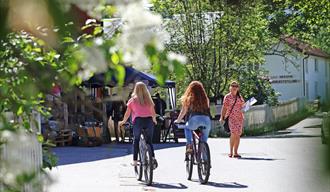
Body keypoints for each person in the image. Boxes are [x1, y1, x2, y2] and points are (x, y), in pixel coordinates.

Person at [119, 82, 158, 166]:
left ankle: (135, 161)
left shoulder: (132, 100)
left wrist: (123, 121)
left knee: (136, 140)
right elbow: (153, 112)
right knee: (149, 141)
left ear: (135, 89)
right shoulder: (149, 99)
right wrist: (154, 120)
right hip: (149, 121)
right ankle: (152, 158)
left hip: (138, 121)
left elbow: (127, 113)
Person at [174, 81, 211, 154]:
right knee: (204, 142)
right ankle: (205, 160)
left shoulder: (189, 99)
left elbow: (183, 112)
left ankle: (189, 144)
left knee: (187, 128)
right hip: (206, 120)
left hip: (194, 120)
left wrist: (178, 120)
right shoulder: (206, 99)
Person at [220, 81, 245, 158]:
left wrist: (247, 106)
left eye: (236, 86)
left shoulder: (240, 97)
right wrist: (222, 117)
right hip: (231, 118)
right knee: (233, 134)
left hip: (239, 118)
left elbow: (243, 107)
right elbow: (224, 108)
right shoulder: (227, 97)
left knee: (238, 135)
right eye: (233, 86)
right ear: (230, 87)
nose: (234, 87)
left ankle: (236, 152)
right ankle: (231, 152)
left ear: (238, 88)